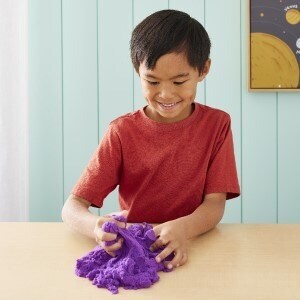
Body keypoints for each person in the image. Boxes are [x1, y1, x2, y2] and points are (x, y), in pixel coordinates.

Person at [61, 9, 240, 270]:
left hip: (195, 247)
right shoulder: (121, 131)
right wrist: (95, 227)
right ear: (138, 71)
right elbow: (72, 207)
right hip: (134, 254)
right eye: (152, 81)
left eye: (179, 81)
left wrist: (183, 228)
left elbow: (215, 204)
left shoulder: (217, 125)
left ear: (203, 69)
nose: (166, 94)